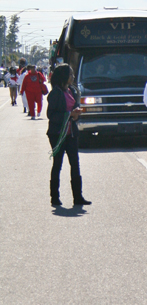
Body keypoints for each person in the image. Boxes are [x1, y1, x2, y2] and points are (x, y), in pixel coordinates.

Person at [47, 63, 91, 208]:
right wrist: (69, 114)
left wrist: (76, 114)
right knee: (57, 164)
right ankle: (54, 197)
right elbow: (51, 115)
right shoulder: (55, 93)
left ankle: (78, 197)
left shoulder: (72, 90)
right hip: (58, 135)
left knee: (75, 164)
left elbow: (73, 109)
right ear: (63, 77)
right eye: (70, 74)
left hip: (71, 133)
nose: (72, 77)